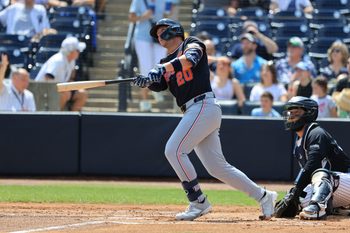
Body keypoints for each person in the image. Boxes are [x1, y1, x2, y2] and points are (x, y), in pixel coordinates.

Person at [133, 18, 277, 221]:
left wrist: (161, 70)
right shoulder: (165, 62)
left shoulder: (192, 44)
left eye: (162, 30)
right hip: (195, 111)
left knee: (174, 150)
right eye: (156, 33)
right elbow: (160, 82)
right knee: (217, 167)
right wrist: (147, 81)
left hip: (203, 106)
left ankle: (198, 201)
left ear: (174, 30)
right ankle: (264, 196)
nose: (158, 35)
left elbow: (189, 60)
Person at [274, 96, 350, 220]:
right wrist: (293, 196)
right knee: (299, 198)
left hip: (345, 181)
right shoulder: (298, 142)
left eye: (296, 112)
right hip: (335, 190)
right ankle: (338, 207)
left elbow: (313, 164)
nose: (291, 116)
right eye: (290, 112)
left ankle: (318, 208)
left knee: (320, 174)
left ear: (309, 113)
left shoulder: (316, 133)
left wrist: (296, 189)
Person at [129, 0, 170, 112]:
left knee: (160, 67)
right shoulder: (138, 1)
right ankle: (144, 100)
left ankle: (155, 88)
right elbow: (131, 18)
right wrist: (144, 17)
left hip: (159, 38)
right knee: (146, 68)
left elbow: (167, 16)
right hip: (142, 38)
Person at [35, 36, 87, 111]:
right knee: (65, 94)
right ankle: (56, 117)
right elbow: (47, 78)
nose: (79, 52)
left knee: (82, 94)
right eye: (77, 50)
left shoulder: (72, 61)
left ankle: (73, 119)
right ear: (71, 51)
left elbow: (70, 78)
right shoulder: (58, 60)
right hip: (44, 91)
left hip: (59, 89)